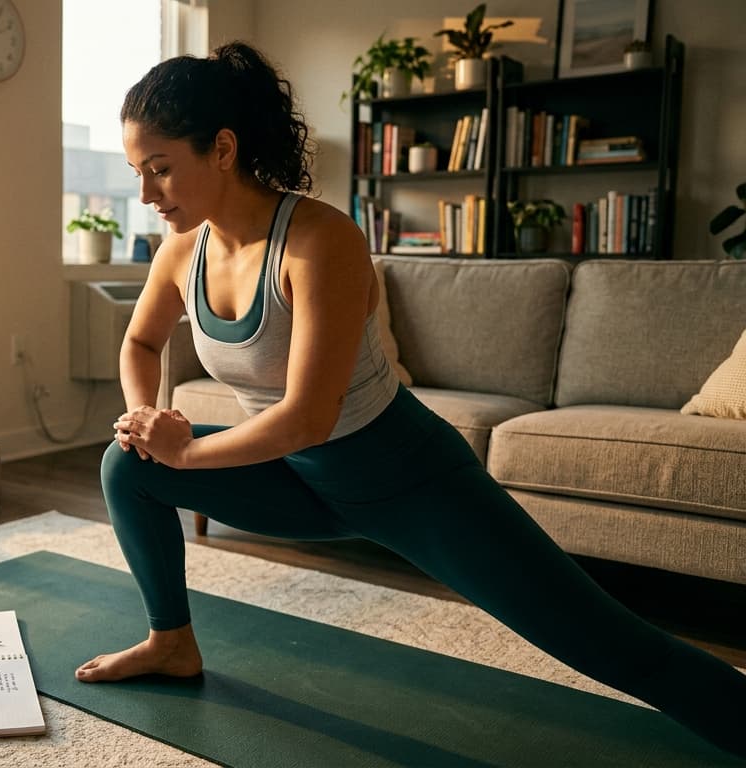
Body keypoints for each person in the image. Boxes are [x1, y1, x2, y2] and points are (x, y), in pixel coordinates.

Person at [74, 40, 746, 760]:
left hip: (412, 481)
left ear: (224, 149)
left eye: (161, 169)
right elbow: (140, 345)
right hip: (304, 480)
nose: (147, 195)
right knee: (128, 466)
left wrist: (190, 449)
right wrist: (145, 421)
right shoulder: (183, 251)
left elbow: (309, 415)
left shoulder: (319, 240)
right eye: (137, 174)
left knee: (607, 644)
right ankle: (171, 642)